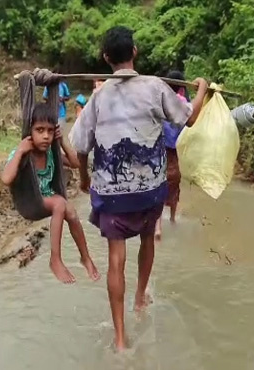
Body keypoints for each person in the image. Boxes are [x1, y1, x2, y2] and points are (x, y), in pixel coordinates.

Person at [70, 26, 208, 351]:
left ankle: (119, 339)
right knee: (148, 241)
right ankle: (140, 299)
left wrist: (84, 180)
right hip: (149, 191)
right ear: (134, 52)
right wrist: (201, 89)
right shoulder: (155, 87)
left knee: (115, 260)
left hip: (112, 194)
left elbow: (79, 145)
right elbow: (188, 118)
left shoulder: (98, 96)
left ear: (106, 58)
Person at [2, 102, 100, 284]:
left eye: (49, 131)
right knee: (60, 203)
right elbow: (6, 178)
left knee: (71, 211)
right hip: (30, 203)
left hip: (47, 201)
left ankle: (85, 257)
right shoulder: (23, 154)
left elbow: (76, 163)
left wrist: (61, 141)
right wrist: (20, 150)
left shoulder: (50, 154)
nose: (45, 136)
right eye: (39, 130)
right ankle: (55, 259)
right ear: (29, 132)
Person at [154, 70, 189, 239]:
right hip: (176, 153)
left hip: (160, 152)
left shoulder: (160, 101)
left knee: (159, 187)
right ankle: (173, 219)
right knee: (174, 188)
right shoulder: (183, 103)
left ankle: (158, 227)